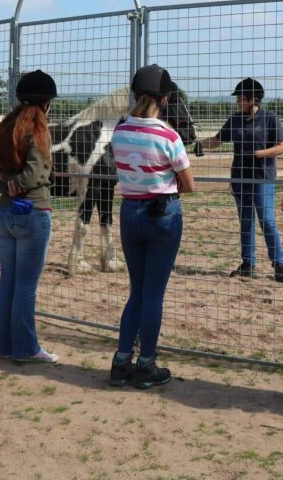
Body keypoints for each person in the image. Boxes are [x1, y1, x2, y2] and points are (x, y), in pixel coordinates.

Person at [108, 64, 196, 389]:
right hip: (163, 215)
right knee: (153, 294)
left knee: (136, 291)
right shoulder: (168, 135)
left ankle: (120, 362)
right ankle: (146, 365)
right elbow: (188, 184)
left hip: (130, 212)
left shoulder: (119, 131)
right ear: (165, 98)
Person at [0, 70, 59, 363]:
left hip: (4, 212)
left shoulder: (5, 127)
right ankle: (26, 349)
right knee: (26, 286)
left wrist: (7, 186)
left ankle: (7, 346)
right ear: (47, 103)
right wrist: (21, 184)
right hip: (33, 212)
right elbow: (35, 173)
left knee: (8, 282)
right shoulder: (38, 130)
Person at [196, 78, 283, 283]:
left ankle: (279, 264)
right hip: (239, 179)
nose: (238, 102)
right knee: (246, 221)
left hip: (262, 179)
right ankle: (248, 264)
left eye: (241, 98)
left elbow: (282, 147)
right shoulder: (234, 120)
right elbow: (218, 140)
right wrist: (200, 144)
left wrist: (260, 154)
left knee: (267, 221)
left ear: (253, 99)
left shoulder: (270, 119)